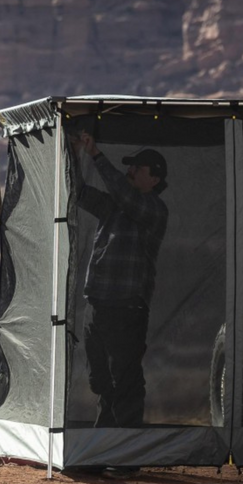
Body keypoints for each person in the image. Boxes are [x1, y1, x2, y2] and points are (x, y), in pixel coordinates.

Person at [74, 131, 169, 430]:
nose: (129, 171)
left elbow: (125, 196)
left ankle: (125, 454)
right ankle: (104, 447)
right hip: (98, 306)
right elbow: (77, 192)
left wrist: (96, 156)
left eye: (137, 168)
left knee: (125, 381)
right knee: (103, 382)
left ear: (154, 179)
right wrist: (70, 154)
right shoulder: (115, 205)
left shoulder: (153, 209)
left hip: (126, 309)